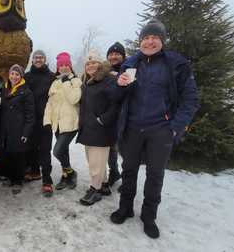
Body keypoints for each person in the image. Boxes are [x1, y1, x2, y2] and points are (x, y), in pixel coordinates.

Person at [110, 18, 199, 239]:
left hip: (161, 129)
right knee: (128, 170)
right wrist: (119, 86)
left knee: (155, 175)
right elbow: (117, 99)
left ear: (162, 41)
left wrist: (175, 128)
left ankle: (149, 216)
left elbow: (191, 100)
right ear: (140, 41)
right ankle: (125, 208)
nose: (150, 42)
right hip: (132, 128)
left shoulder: (176, 64)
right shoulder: (130, 64)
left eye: (154, 38)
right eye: (146, 38)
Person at [76, 50, 122, 206]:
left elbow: (115, 104)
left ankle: (95, 190)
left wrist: (102, 120)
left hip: (101, 130)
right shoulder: (88, 82)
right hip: (89, 128)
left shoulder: (108, 80)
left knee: (96, 162)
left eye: (94, 62)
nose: (90, 66)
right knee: (95, 161)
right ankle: (102, 185)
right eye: (88, 63)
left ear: (100, 64)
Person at [43, 52, 82, 193]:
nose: (64, 67)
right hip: (57, 124)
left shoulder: (76, 81)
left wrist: (66, 81)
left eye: (66, 65)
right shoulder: (54, 83)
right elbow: (49, 103)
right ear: (58, 68)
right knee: (64, 151)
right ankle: (66, 176)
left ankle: (71, 173)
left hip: (71, 123)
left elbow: (74, 99)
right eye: (61, 65)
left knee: (57, 151)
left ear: (70, 66)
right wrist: (47, 121)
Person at [0, 64, 35, 194]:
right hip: (6, 128)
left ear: (21, 76)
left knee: (18, 155)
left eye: (17, 74)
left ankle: (18, 181)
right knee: (7, 153)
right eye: (12, 74)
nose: (14, 76)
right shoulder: (5, 88)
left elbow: (31, 115)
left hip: (19, 128)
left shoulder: (26, 91)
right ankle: (9, 177)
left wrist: (26, 132)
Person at [24, 50, 56, 190]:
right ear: (32, 60)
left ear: (45, 60)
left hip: (45, 119)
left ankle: (47, 180)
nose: (38, 59)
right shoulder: (26, 76)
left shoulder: (51, 76)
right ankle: (35, 171)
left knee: (44, 149)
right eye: (36, 57)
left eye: (41, 57)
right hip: (30, 119)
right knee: (31, 148)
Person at [105, 42, 127, 187]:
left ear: (123, 56)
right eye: (111, 54)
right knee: (110, 150)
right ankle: (114, 172)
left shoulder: (129, 69)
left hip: (125, 117)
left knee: (125, 152)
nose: (114, 56)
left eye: (117, 54)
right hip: (109, 117)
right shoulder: (105, 71)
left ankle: (127, 180)